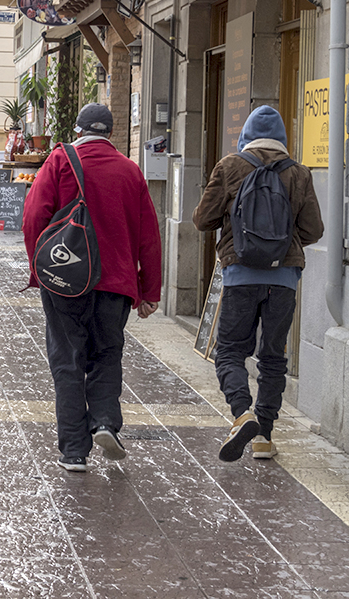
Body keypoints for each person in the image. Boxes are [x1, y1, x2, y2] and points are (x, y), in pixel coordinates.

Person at [22, 103, 161, 473]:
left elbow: (34, 215)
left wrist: (42, 268)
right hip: (116, 282)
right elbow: (149, 235)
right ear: (111, 133)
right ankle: (103, 422)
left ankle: (73, 452)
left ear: (79, 129)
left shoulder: (59, 161)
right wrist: (151, 290)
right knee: (107, 353)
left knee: (67, 359)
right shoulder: (131, 172)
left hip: (66, 279)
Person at [192, 105, 323, 462]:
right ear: (282, 137)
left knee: (231, 350)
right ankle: (264, 436)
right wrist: (281, 244)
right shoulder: (298, 173)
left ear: (246, 135)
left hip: (240, 273)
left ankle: (241, 412)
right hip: (284, 278)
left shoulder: (231, 166)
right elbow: (314, 230)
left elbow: (203, 219)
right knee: (273, 356)